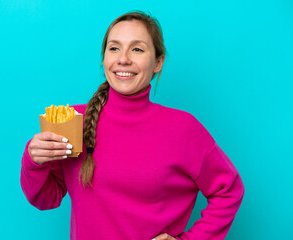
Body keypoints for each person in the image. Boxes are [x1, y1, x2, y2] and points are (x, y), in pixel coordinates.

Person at [20, 11, 244, 240]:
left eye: (137, 49)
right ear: (103, 58)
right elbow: (47, 198)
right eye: (114, 48)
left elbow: (229, 189)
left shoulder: (184, 129)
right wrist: (34, 161)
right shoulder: (72, 119)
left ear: (158, 62)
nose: (123, 59)